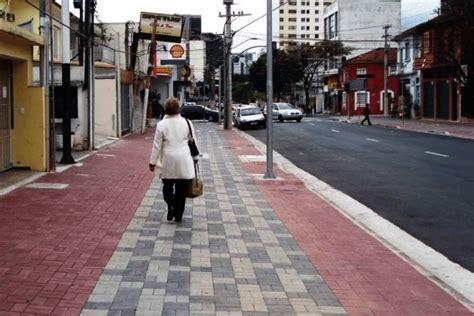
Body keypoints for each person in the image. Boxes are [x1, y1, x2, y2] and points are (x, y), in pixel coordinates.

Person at [149, 97, 199, 222]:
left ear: (166, 110)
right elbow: (193, 142)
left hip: (168, 159)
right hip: (184, 158)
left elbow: (156, 145)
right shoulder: (187, 122)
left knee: (167, 185)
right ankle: (178, 214)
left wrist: (152, 162)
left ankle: (170, 205)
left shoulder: (161, 125)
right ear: (178, 109)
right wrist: (196, 157)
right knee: (181, 189)